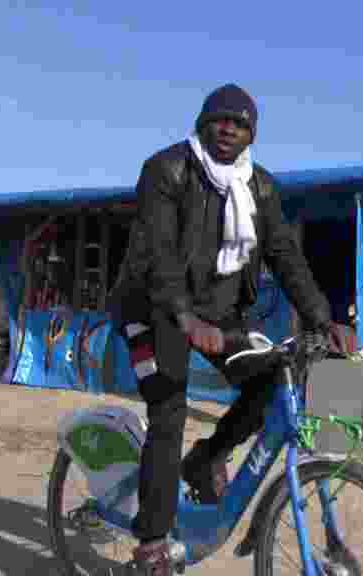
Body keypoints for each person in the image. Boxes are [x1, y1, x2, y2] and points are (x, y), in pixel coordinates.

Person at [108, 84, 347, 575]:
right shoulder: (166, 170)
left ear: (251, 134)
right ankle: (152, 542)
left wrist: (324, 320)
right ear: (202, 122)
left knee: (265, 384)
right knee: (168, 410)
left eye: (239, 124)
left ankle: (205, 460)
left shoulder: (259, 186)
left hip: (215, 315)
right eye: (220, 120)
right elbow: (159, 252)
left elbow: (285, 255)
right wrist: (184, 315)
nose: (228, 130)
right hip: (153, 307)